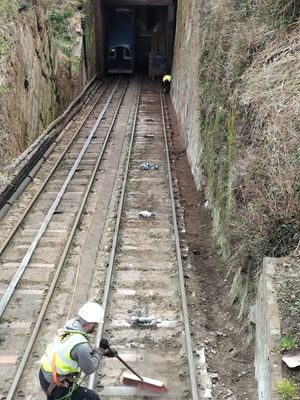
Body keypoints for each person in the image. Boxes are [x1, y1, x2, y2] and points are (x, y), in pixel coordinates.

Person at [39, 302, 116, 400]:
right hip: (56, 384)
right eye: (95, 325)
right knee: (92, 398)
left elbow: (81, 347)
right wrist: (100, 351)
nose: (95, 327)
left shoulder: (70, 328)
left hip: (45, 375)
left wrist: (103, 352)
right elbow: (89, 368)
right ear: (91, 324)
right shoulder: (81, 346)